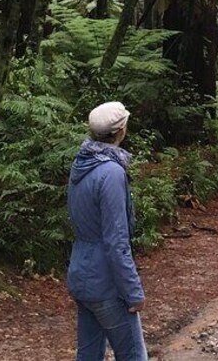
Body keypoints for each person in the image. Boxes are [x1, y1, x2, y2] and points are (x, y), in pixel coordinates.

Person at [67, 101, 147, 361]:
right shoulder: (111, 172)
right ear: (121, 129)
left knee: (88, 356)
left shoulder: (81, 164)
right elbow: (116, 241)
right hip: (106, 283)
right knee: (134, 356)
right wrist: (133, 291)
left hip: (81, 274)